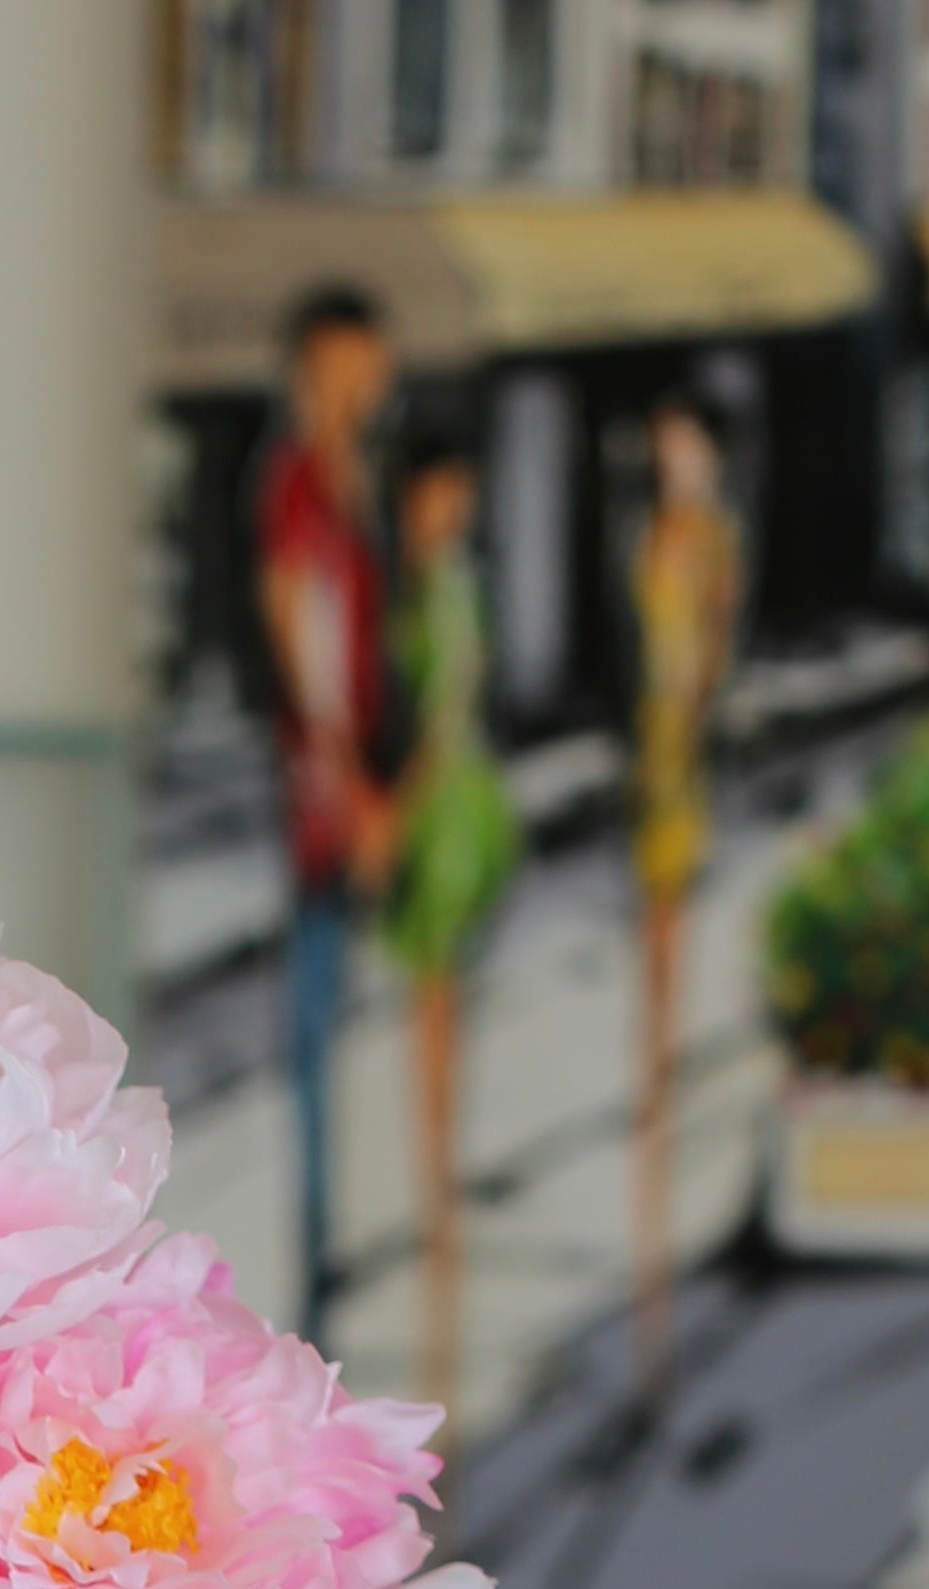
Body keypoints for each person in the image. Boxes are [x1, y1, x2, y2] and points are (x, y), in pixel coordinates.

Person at [257, 281, 400, 1340]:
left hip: (345, 773)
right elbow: (305, 633)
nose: (369, 381)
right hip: (322, 782)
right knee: (315, 1003)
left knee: (336, 993)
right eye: (354, 361)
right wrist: (348, 780)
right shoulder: (302, 482)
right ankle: (316, 1237)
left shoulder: (349, 481)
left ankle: (334, 1220)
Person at [381, 429, 522, 1426]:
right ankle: (434, 1164)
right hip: (436, 800)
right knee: (428, 983)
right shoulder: (413, 594)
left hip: (457, 800)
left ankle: (444, 1160)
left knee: (447, 982)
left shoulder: (450, 588)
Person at [631, 392, 740, 1380]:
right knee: (649, 924)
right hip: (650, 750)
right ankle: (655, 1072)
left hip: (677, 754)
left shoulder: (707, 542)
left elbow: (707, 653)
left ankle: (666, 1073)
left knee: (670, 920)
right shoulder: (655, 534)